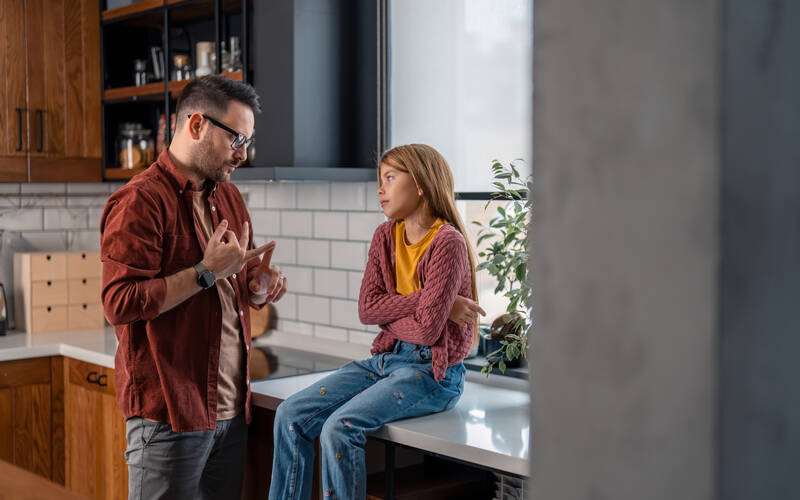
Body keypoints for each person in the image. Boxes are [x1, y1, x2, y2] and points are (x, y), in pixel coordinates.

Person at [100, 75, 288, 500]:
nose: (243, 153)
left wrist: (256, 288)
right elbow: (119, 302)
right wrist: (205, 271)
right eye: (237, 138)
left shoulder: (230, 198)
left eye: (248, 141)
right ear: (197, 125)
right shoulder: (141, 201)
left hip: (229, 413)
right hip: (168, 416)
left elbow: (230, 290)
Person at [268, 143, 485, 499]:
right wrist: (433, 301)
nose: (379, 189)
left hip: (433, 372)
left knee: (340, 427)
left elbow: (428, 331)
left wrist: (418, 310)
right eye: (379, 179)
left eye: (389, 177)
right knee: (290, 415)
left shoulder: (448, 242)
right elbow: (368, 310)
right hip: (386, 360)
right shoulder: (385, 235)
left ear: (420, 184)